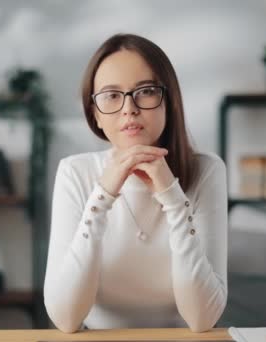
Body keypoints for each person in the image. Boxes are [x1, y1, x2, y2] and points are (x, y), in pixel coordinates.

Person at [44, 33, 228, 333]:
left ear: (169, 101)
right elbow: (65, 319)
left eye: (145, 91)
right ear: (96, 115)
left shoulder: (206, 170)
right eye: (112, 95)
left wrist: (172, 197)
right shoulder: (75, 173)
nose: (129, 108)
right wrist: (102, 195)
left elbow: (203, 319)